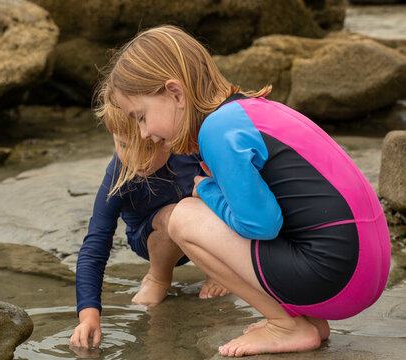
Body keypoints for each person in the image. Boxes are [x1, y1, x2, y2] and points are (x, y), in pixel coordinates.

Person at [95, 25, 391, 357]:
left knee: (183, 219)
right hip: (369, 267)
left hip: (337, 276)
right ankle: (307, 318)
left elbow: (261, 225)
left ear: (175, 94)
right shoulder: (251, 111)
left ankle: (285, 325)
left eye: (141, 117)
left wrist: (206, 190)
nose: (144, 132)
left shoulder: (216, 131)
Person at [69, 131, 229, 349]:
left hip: (204, 232)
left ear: (166, 136)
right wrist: (88, 316)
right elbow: (95, 243)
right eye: (124, 145)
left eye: (147, 148)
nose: (137, 159)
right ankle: (159, 277)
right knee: (174, 213)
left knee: (211, 192)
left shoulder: (189, 151)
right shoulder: (118, 174)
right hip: (152, 238)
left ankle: (216, 269)